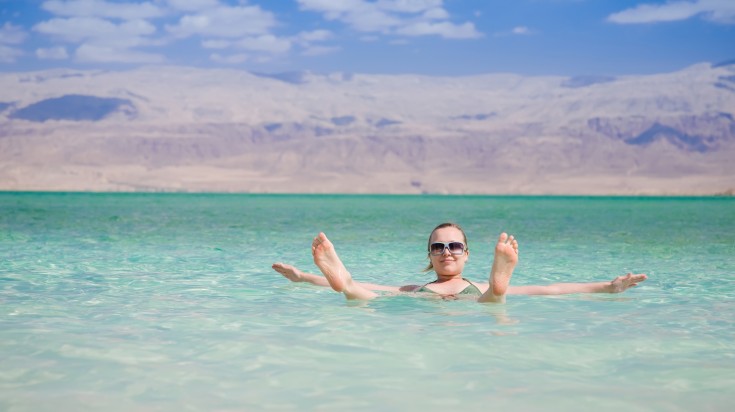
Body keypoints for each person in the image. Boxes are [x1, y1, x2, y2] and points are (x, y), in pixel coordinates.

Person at [272, 222, 647, 302]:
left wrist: (608, 286)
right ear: (430, 256)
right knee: (363, 293)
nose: (447, 252)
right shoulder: (414, 287)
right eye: (438, 247)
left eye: (454, 246)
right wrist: (303, 277)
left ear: (466, 254)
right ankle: (344, 280)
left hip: (479, 296)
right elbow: (378, 285)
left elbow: (551, 289)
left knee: (496, 297)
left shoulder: (479, 285)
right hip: (421, 303)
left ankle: (501, 282)